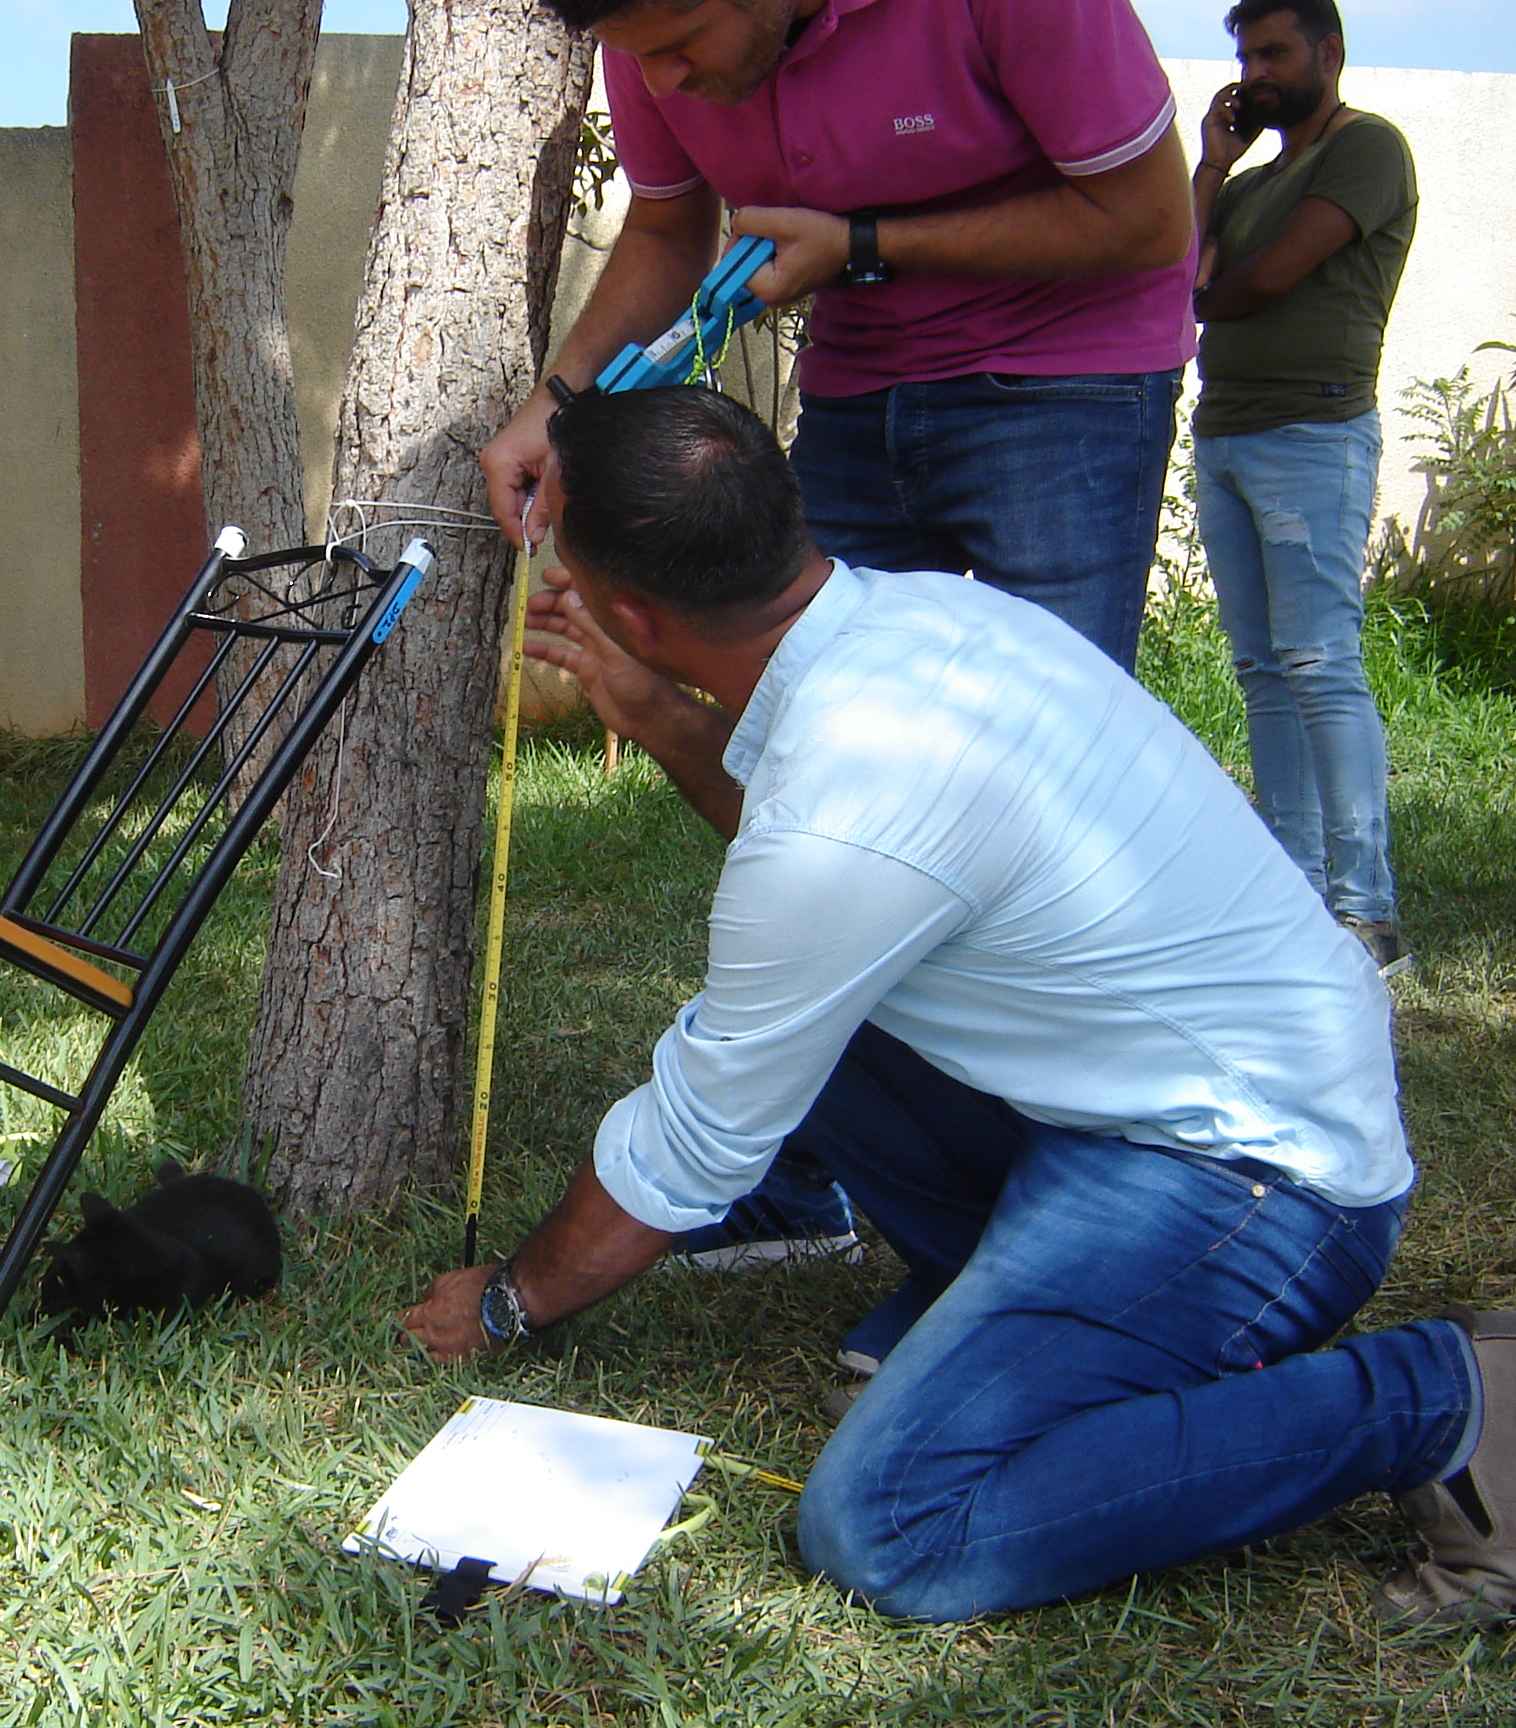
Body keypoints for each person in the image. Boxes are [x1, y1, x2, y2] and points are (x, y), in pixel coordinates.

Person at [404, 385, 1511, 1627]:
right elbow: (845, 859)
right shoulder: (925, 621)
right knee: (811, 999)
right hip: (1177, 1104)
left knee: (891, 1525)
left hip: (1265, 1187)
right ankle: (997, 1304)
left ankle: (1447, 1398)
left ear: (634, 614)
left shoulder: (846, 806)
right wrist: (664, 714)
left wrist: (513, 1296)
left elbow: (694, 1138)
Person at [484, 0, 1195, 675]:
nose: (660, 81)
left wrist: (862, 246)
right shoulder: (647, 29)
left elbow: (1152, 219)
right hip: (858, 384)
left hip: (1066, 380)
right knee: (818, 700)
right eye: (636, 56)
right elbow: (666, 233)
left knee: (1055, 713)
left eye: (682, 44)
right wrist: (559, 402)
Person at [1191, 1, 1417, 977]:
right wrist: (1211, 168)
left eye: (1275, 52)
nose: (1257, 73)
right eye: (1247, 56)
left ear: (1330, 51)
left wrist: (1199, 296)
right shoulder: (1251, 183)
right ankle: (1295, 896)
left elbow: (1263, 280)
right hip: (1227, 436)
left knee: (1320, 664)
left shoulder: (1368, 150)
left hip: (1313, 436)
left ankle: (1367, 913)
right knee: (1263, 671)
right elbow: (1179, 263)